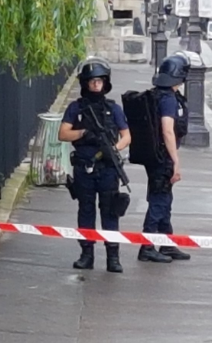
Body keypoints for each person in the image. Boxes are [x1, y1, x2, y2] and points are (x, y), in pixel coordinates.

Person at [58, 57, 132, 273]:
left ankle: (113, 257)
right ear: (85, 83)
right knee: (86, 210)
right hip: (84, 168)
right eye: (92, 81)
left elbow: (127, 136)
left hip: (108, 169)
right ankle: (86, 254)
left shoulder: (113, 108)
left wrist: (113, 151)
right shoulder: (76, 108)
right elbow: (63, 133)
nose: (96, 85)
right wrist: (83, 133)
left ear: (105, 82)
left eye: (99, 81)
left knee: (110, 212)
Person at [137, 53, 192, 263]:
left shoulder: (156, 94)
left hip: (153, 155)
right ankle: (147, 246)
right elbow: (168, 131)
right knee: (159, 201)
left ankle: (166, 243)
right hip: (163, 157)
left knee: (164, 199)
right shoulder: (169, 100)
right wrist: (175, 160)